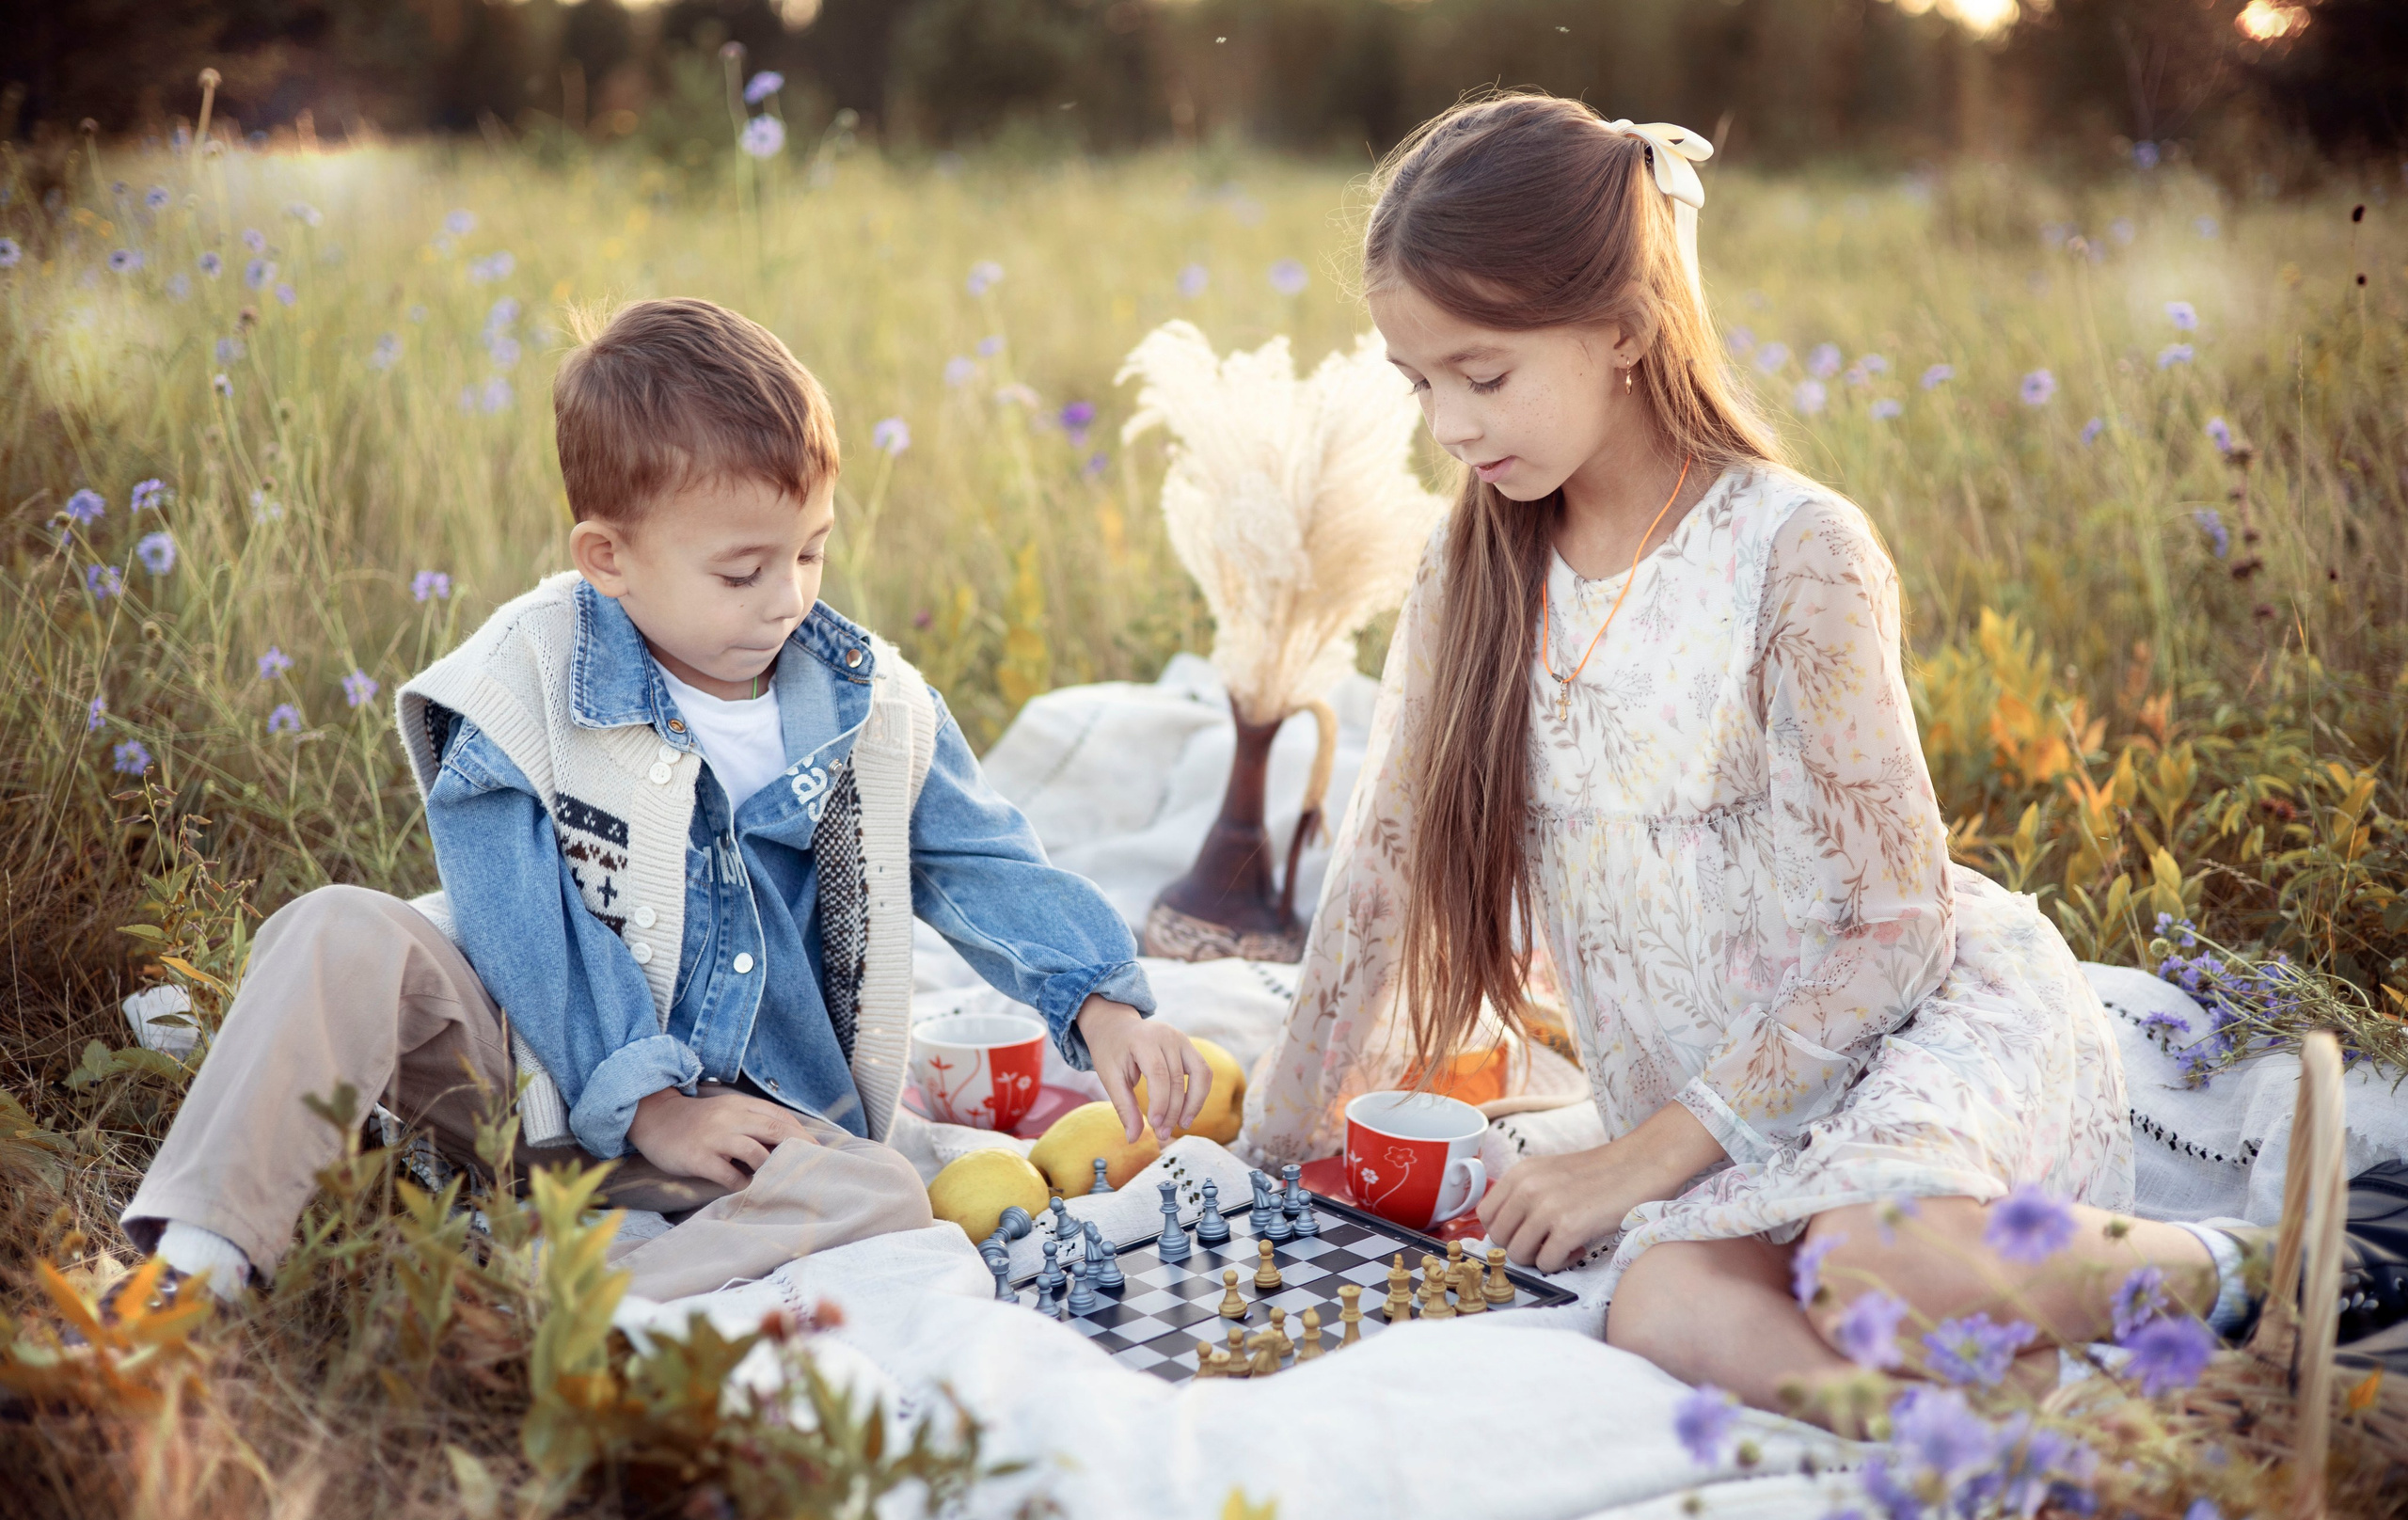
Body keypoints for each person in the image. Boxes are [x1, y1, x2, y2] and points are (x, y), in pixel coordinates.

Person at [1241, 94, 2385, 1408]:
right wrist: (1275, 1143)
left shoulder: (1792, 548)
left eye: (1482, 374)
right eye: (1419, 381)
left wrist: (1638, 1161)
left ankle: (2293, 1260)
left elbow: (1895, 924)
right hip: (1710, 1106)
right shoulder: (1474, 567)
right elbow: (1386, 855)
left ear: (1622, 325)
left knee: (1874, 1263)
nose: (1447, 421)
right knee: (1662, 1301)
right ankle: (2009, 1476)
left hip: (1904, 1015)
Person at [124, 297, 1207, 1304]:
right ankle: (198, 1267)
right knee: (334, 928)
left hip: (742, 1128)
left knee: (879, 1190)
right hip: (530, 1079)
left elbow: (980, 863)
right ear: (609, 558)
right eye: (741, 572)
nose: (785, 598)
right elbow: (522, 928)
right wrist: (650, 1104)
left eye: (812, 553)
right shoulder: (523, 684)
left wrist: (1098, 999)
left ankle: (561, 1298)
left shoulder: (870, 707)